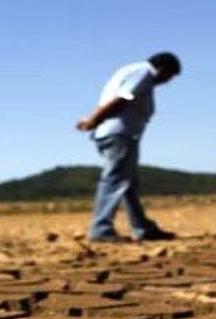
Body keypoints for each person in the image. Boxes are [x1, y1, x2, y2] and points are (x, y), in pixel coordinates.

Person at [75, 52, 181, 242]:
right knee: (115, 181)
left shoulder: (132, 71)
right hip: (120, 134)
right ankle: (100, 229)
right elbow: (123, 98)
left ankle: (143, 228)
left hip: (114, 133)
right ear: (163, 69)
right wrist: (93, 120)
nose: (167, 82)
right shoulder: (143, 73)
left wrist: (95, 120)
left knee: (127, 183)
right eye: (169, 77)